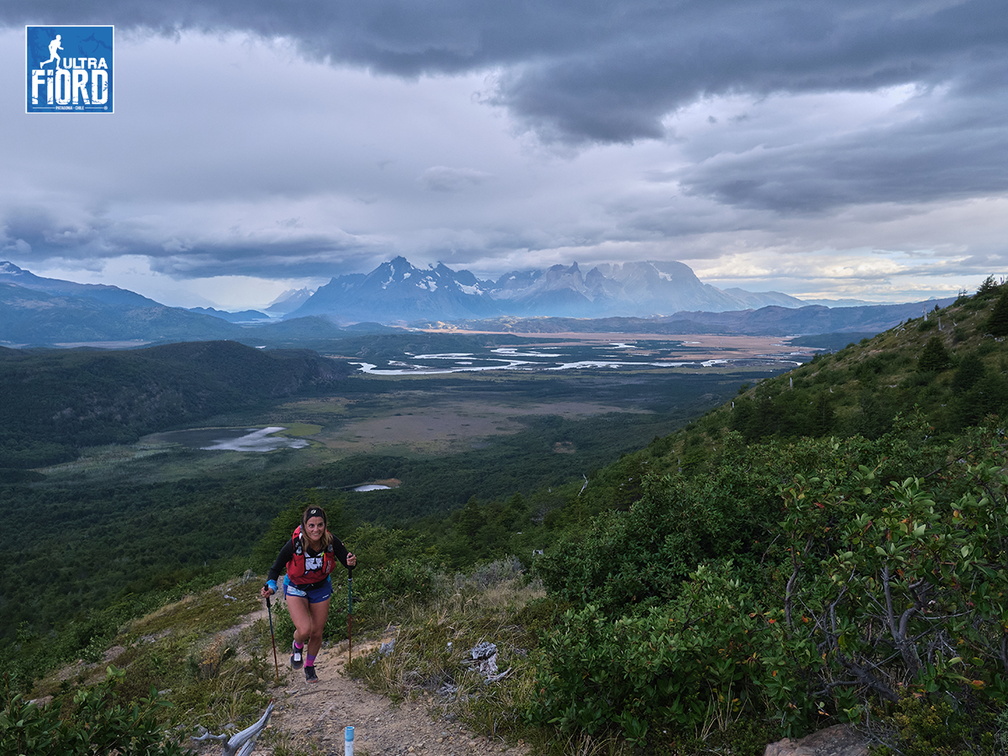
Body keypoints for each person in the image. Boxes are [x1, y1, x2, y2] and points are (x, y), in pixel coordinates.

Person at [261, 506, 356, 682]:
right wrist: (271, 587)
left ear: (325, 525)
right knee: (304, 630)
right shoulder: (294, 544)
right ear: (304, 526)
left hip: (321, 587)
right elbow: (275, 568)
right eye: (311, 525)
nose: (316, 529)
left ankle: (309, 666)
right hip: (296, 588)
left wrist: (351, 561)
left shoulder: (330, 541)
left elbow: (347, 561)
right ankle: (297, 645)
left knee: (317, 632)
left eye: (320, 525)